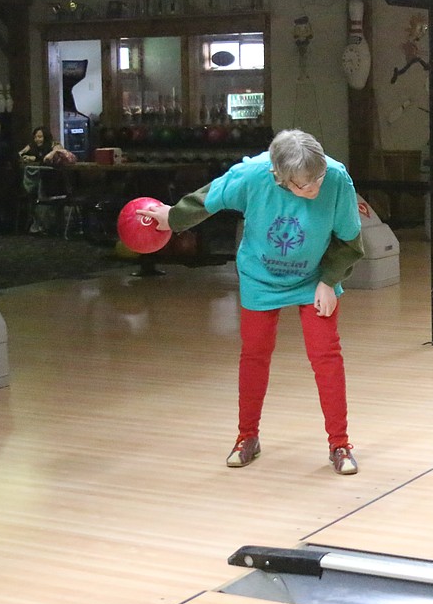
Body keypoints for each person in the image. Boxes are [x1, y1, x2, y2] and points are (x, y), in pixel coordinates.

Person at [138, 129, 365, 475]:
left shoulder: (335, 178)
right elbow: (208, 199)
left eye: (317, 178)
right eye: (305, 185)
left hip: (313, 278)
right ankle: (248, 437)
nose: (315, 188)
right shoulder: (253, 175)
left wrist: (329, 281)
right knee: (254, 355)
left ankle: (340, 444)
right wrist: (172, 218)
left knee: (326, 356)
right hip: (260, 277)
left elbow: (350, 241)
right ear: (279, 177)